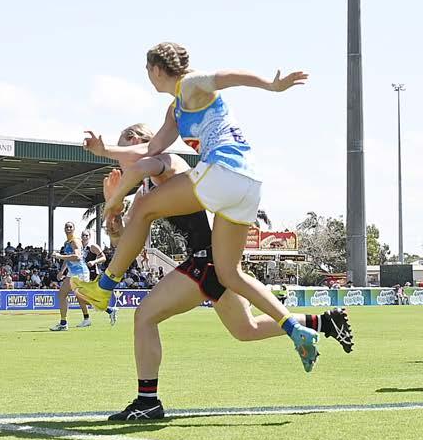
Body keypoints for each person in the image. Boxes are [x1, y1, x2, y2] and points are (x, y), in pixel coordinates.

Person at [73, 42, 319, 371]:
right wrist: (106, 151)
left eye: (147, 70)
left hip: (224, 170)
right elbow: (151, 147)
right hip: (248, 184)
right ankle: (293, 327)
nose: (147, 76)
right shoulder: (175, 109)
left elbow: (227, 76)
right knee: (230, 274)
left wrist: (270, 86)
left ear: (156, 69)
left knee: (144, 207)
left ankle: (104, 287)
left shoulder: (189, 83)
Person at [100, 123, 354, 421]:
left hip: (206, 260)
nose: (120, 161)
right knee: (246, 330)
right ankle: (325, 322)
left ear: (136, 142)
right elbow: (126, 241)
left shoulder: (166, 162)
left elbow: (147, 164)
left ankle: (147, 402)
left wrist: (119, 192)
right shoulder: (144, 193)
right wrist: (113, 218)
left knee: (145, 316)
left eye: (123, 151)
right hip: (213, 260)